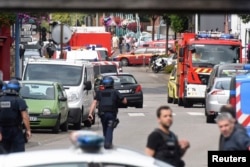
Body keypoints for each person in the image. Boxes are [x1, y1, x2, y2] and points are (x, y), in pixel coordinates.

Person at [88, 76, 127, 149]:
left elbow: (94, 102)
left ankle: (106, 141)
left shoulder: (99, 92)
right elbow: (124, 101)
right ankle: (108, 143)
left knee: (105, 128)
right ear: (112, 84)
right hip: (112, 114)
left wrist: (90, 113)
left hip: (102, 114)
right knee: (110, 127)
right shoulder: (115, 92)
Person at [0, 79, 32, 153]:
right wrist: (28, 130)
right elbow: (25, 117)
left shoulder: (1, 99)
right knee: (18, 155)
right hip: (16, 131)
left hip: (2, 130)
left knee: (3, 155)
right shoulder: (20, 101)